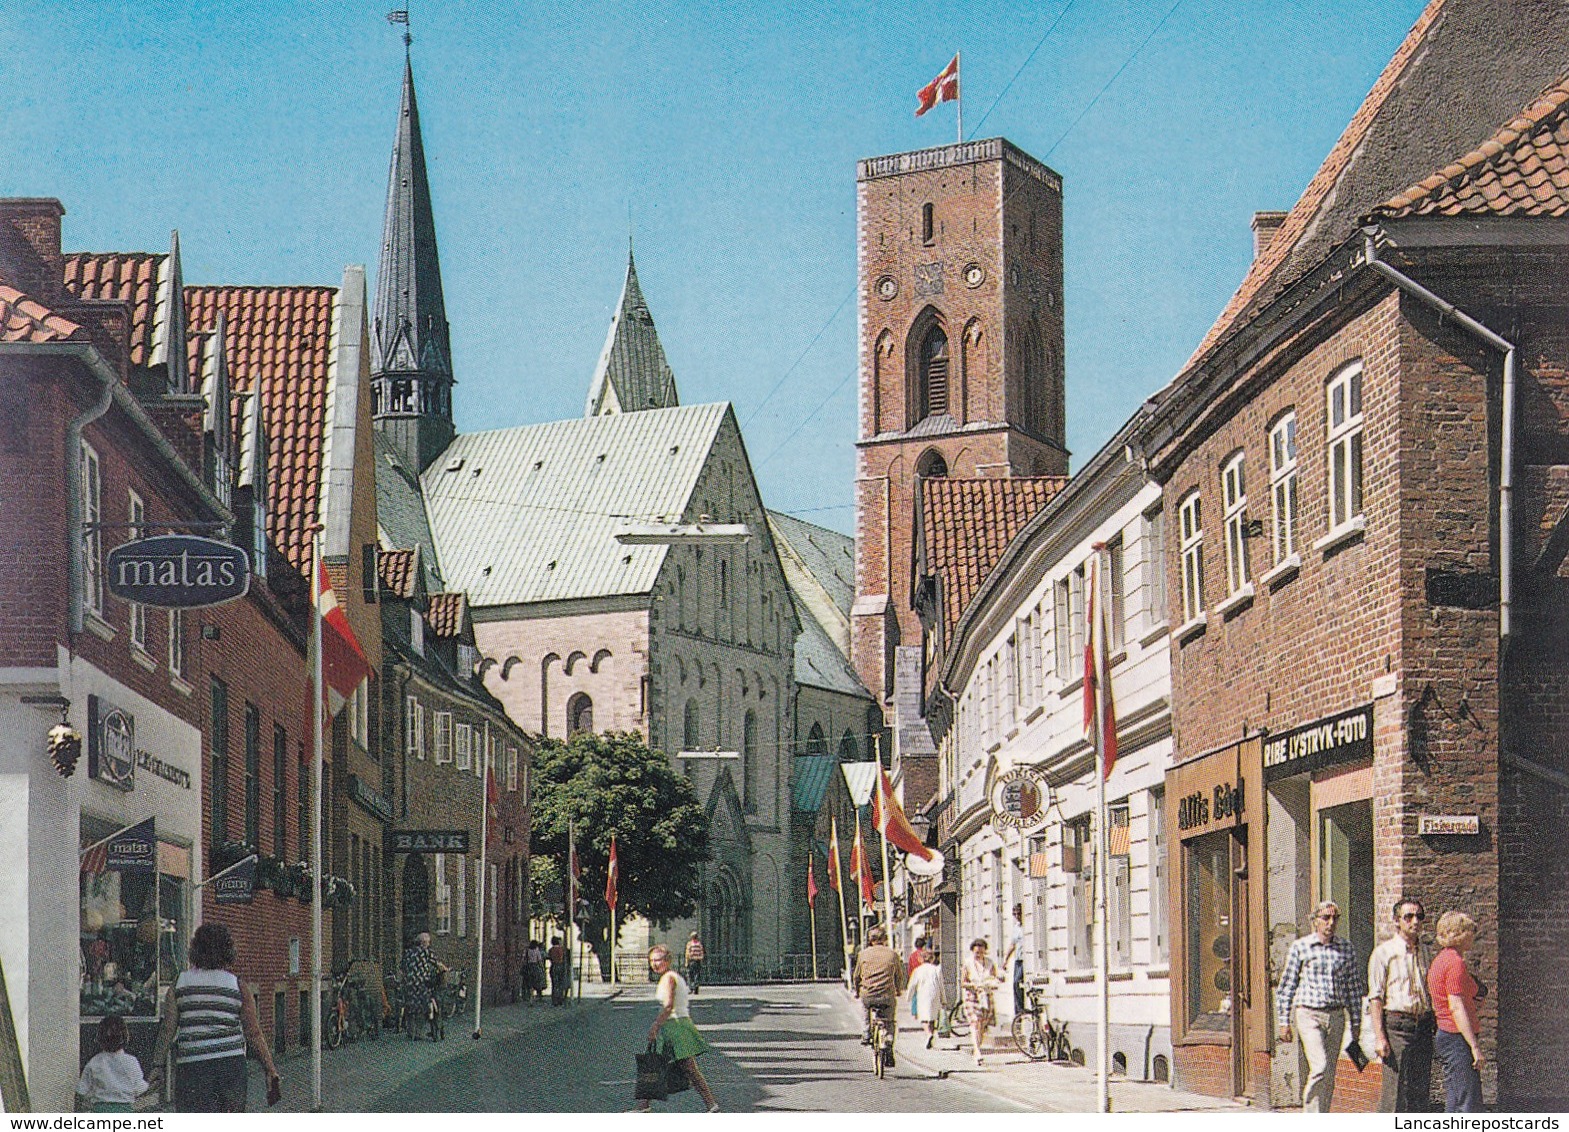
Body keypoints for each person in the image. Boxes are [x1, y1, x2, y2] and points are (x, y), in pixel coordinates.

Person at [146, 923, 280, 1112]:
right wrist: (270, 1069)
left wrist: (157, 1065)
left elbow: (168, 1028)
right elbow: (254, 1033)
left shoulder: (180, 983)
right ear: (227, 951)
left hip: (192, 1069)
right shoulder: (238, 985)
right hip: (230, 1068)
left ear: (195, 949)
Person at [1275, 900, 1367, 1113]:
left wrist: (1356, 1022)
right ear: (1315, 921)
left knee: (1329, 1072)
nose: (1331, 923)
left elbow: (1353, 987)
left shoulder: (1345, 948)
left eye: (1335, 918)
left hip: (1335, 1015)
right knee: (1320, 1067)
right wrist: (1283, 1022)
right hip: (1308, 1014)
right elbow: (1287, 985)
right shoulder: (1301, 947)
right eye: (1325, 918)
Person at [1368, 896, 1435, 1113]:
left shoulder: (1425, 951)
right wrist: (1380, 1037)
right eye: (1409, 917)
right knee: (1394, 1090)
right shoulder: (1384, 953)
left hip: (1423, 1024)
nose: (1415, 921)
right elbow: (1376, 998)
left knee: (1420, 1089)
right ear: (1397, 921)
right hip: (1397, 1025)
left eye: (1419, 916)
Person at [635, 945, 720, 1112]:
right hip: (674, 1025)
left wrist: (655, 1026)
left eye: (658, 960)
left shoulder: (669, 978)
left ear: (667, 960)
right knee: (656, 1065)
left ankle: (711, 1104)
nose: (654, 964)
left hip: (676, 1026)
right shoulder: (669, 977)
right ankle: (643, 1106)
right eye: (651, 960)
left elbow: (668, 1006)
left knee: (683, 1068)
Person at [1429, 910, 1485, 1112]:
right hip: (1456, 1037)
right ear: (1458, 934)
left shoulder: (1441, 960)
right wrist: (1474, 1046)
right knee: (1467, 1103)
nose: (1473, 935)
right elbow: (1456, 1007)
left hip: (1447, 1035)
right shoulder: (1455, 963)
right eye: (1469, 931)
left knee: (1455, 1100)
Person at [853, 925, 907, 1067]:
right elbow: (899, 975)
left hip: (868, 994)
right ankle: (888, 1039)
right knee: (889, 1020)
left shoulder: (863, 954)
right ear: (884, 939)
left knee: (865, 1007)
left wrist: (856, 991)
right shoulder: (892, 954)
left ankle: (866, 1031)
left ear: (870, 940)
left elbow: (856, 976)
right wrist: (898, 989)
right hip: (886, 995)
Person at [76, 1015, 147, 1113]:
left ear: (99, 1038)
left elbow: (81, 1090)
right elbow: (140, 1088)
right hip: (125, 1112)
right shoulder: (131, 1061)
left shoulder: (94, 1062)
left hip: (99, 1111)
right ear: (126, 1037)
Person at [961, 938, 1001, 1067]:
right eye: (976, 952)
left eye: (981, 952)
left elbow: (994, 978)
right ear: (973, 951)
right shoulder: (967, 964)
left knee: (982, 1025)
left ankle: (976, 1048)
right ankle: (977, 1051)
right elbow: (963, 982)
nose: (979, 954)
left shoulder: (990, 963)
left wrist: (993, 984)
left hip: (986, 996)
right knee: (975, 1022)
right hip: (972, 996)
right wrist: (972, 985)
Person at [402, 932, 447, 1038]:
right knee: (421, 1008)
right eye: (428, 942)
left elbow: (402, 966)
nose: (429, 944)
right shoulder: (427, 952)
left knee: (410, 1007)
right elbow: (437, 963)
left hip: (409, 984)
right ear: (424, 943)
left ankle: (410, 1032)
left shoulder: (408, 952)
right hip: (422, 984)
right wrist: (445, 968)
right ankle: (418, 1033)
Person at [906, 942, 942, 1050]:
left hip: (922, 995)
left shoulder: (918, 970)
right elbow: (941, 985)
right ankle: (931, 1033)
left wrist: (909, 997)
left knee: (923, 1018)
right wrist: (943, 999)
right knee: (932, 1017)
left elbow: (912, 985)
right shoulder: (937, 969)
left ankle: (928, 1034)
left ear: (921, 959)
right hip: (935, 994)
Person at [1003, 904, 1026, 1016]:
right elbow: (1012, 944)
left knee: (1019, 983)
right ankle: (1019, 1012)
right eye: (1015, 914)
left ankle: (1024, 1009)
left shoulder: (1027, 926)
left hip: (1026, 960)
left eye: (1019, 914)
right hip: (1018, 960)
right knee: (1015, 984)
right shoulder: (1016, 927)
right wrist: (1005, 959)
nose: (1017, 916)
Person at [547, 936, 570, 1006]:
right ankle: (560, 999)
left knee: (554, 984)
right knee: (560, 984)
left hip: (553, 966)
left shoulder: (550, 950)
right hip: (560, 966)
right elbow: (562, 958)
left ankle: (554, 1000)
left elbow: (549, 957)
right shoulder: (561, 949)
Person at [525, 939, 547, 1003]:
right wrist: (542, 968)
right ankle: (538, 997)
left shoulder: (528, 951)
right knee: (537, 981)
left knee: (530, 983)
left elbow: (524, 959)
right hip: (535, 966)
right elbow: (539, 960)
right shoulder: (537, 951)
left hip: (529, 967)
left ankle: (530, 998)